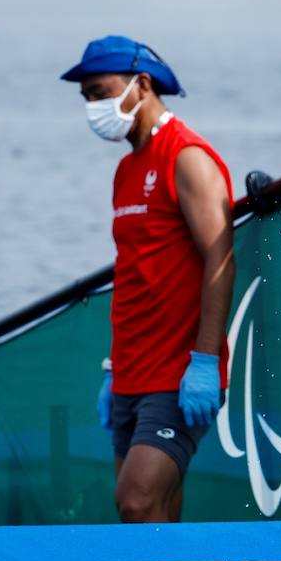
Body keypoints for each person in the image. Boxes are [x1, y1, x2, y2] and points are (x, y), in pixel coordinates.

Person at [61, 36, 235, 523]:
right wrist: (112, 367)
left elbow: (222, 259)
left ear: (141, 85)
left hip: (178, 371)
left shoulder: (187, 157)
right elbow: (134, 274)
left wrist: (204, 360)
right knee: (154, 508)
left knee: (136, 500)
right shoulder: (127, 169)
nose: (93, 106)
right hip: (129, 370)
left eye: (100, 92)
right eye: (87, 98)